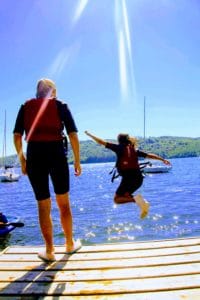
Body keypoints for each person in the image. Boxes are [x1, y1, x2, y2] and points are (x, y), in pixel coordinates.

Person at [13, 78, 82, 262]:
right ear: (53, 92)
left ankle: (50, 251)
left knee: (43, 206)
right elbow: (73, 134)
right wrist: (77, 160)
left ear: (37, 93)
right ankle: (69, 244)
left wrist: (22, 161)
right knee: (64, 203)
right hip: (57, 154)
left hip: (35, 155)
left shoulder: (25, 106)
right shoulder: (61, 105)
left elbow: (17, 136)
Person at [85, 131, 171, 219]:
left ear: (119, 140)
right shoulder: (134, 150)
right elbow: (149, 155)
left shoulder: (118, 148)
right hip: (139, 179)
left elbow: (101, 142)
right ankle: (142, 204)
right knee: (126, 196)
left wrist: (90, 135)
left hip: (128, 179)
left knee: (117, 199)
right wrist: (162, 159)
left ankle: (138, 200)